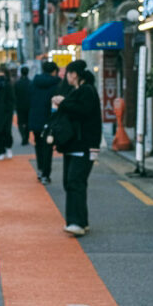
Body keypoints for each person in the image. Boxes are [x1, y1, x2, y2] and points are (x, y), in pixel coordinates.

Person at [51, 60, 102, 236]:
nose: (66, 78)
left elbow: (82, 111)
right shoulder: (79, 90)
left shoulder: (87, 91)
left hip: (83, 145)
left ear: (74, 74)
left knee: (74, 182)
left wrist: (62, 102)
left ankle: (76, 222)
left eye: (68, 74)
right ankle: (80, 221)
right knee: (73, 182)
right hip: (75, 145)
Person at [28, 61, 63, 184]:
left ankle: (40, 169)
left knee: (38, 145)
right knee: (47, 147)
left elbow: (29, 100)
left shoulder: (34, 82)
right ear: (54, 71)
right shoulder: (57, 84)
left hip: (36, 119)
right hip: (49, 120)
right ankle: (45, 175)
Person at [14, 66, 32, 146]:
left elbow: (14, 95)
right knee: (28, 122)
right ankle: (26, 137)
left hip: (19, 105)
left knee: (20, 122)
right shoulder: (31, 83)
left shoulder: (17, 83)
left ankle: (23, 137)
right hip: (29, 105)